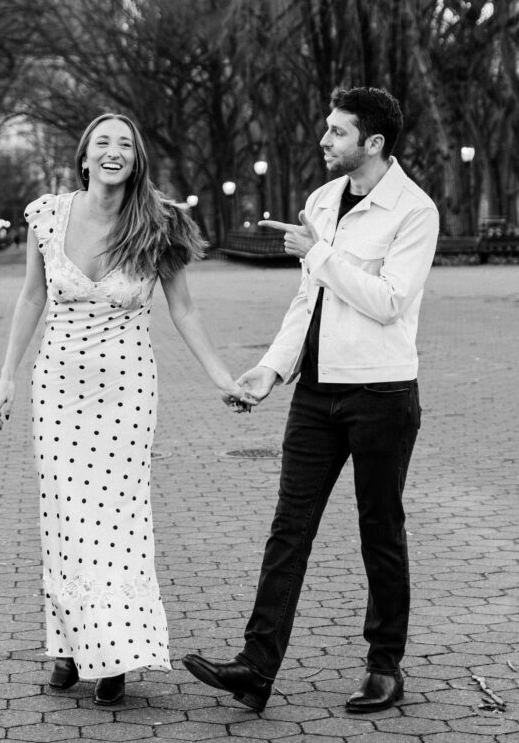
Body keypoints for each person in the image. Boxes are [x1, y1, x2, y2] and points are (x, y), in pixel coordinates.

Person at [182, 87, 440, 714]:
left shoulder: (414, 210)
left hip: (381, 393)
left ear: (373, 143)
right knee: (288, 531)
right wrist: (270, 371)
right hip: (315, 392)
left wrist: (320, 253)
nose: (324, 141)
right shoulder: (321, 201)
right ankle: (256, 666)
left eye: (338, 132)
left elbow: (387, 301)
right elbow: (309, 300)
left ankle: (385, 666)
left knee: (380, 531)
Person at [0, 113, 245, 706]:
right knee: (63, 519)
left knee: (116, 522)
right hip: (57, 388)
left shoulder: (160, 222)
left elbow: (184, 310)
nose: (113, 152)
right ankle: (67, 649)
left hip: (126, 391)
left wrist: (220, 376)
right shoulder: (47, 215)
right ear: (83, 157)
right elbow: (31, 295)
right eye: (102, 143)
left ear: (136, 161)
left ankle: (116, 658)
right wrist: (6, 376)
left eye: (124, 145)